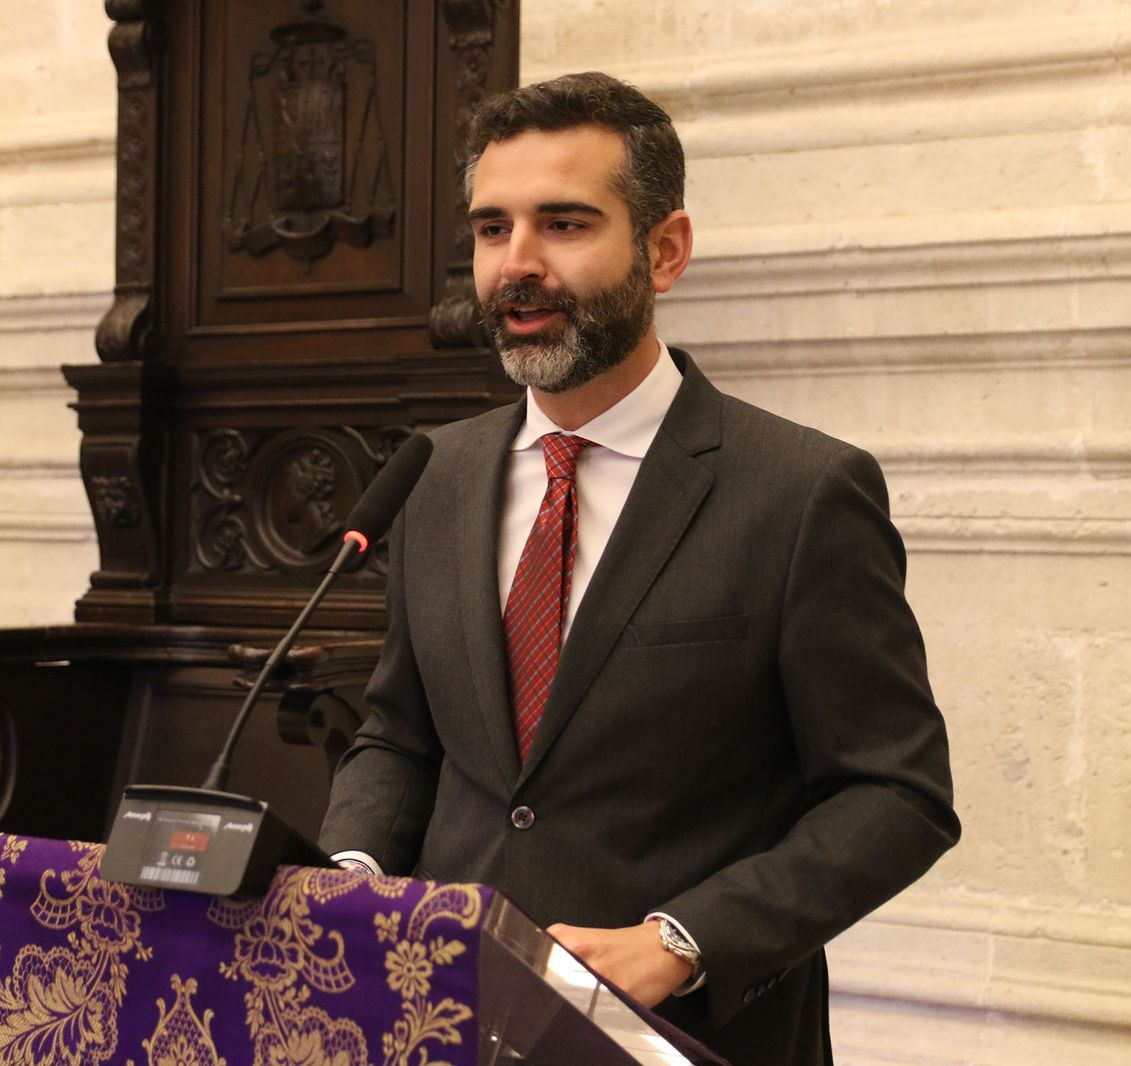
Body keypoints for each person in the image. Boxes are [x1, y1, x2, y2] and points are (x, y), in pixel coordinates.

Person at [319, 71, 959, 1065]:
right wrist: (347, 873)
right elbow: (402, 736)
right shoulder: (434, 476)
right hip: (444, 1020)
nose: (516, 266)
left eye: (564, 224)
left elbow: (894, 796)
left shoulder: (799, 491)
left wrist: (684, 941)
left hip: (686, 1034)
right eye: (492, 229)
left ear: (664, 251)